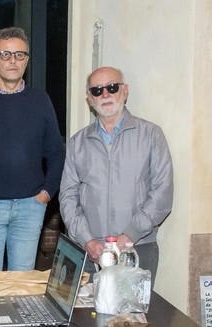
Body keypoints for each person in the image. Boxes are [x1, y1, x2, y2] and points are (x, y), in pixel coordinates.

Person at [0, 27, 66, 286]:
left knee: (22, 284)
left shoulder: (41, 100)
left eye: (20, 55)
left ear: (27, 60)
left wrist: (45, 195)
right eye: (6, 54)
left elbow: (56, 152)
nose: (13, 60)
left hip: (30, 207)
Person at [59, 66, 173, 283]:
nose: (105, 94)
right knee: (88, 315)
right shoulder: (77, 143)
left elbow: (162, 194)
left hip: (138, 248)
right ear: (89, 99)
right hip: (90, 252)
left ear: (125, 91)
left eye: (112, 87)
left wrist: (129, 235)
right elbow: (67, 198)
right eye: (97, 90)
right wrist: (87, 240)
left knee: (133, 316)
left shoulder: (151, 135)